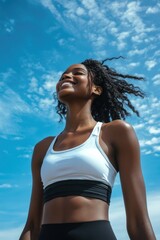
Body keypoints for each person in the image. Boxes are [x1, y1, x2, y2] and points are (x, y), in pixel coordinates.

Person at [19, 57, 156, 240]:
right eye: (63, 75)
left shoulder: (116, 132)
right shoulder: (43, 148)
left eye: (78, 73)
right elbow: (33, 225)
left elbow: (138, 220)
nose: (67, 75)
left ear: (96, 89)